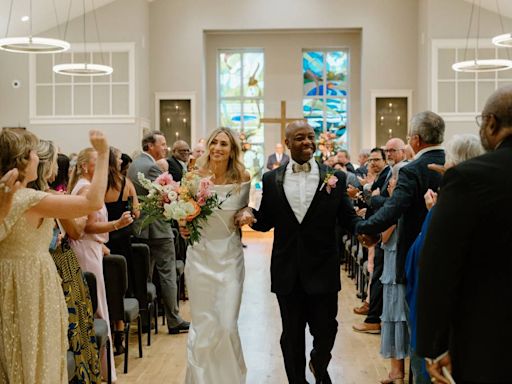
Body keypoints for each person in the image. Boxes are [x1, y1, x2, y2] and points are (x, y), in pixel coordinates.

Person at [249, 120, 361, 384]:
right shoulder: (271, 179)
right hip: (287, 270)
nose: (308, 142)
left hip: (323, 267)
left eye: (311, 137)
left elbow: (347, 217)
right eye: (300, 138)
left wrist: (366, 229)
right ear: (287, 143)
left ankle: (319, 364)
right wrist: (247, 215)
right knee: (291, 335)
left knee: (326, 330)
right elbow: (265, 221)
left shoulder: (335, 178)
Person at [416, 87, 512, 384]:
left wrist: (434, 346)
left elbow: (438, 267)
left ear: (491, 123)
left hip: (490, 340)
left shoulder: (470, 177)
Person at [0, 129, 109, 383]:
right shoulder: (29, 199)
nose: (39, 158)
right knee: (36, 354)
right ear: (24, 158)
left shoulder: (11, 197)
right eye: (35, 153)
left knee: (13, 352)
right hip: (32, 282)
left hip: (8, 278)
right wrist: (103, 154)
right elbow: (93, 202)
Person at [406, 134, 483, 384]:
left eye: (448, 161)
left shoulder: (456, 205)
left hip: (439, 323)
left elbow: (434, 265)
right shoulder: (448, 201)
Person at [179, 127, 251, 384]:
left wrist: (247, 213)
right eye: (214, 143)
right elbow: (183, 212)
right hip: (200, 256)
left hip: (230, 256)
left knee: (227, 324)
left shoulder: (243, 176)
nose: (218, 148)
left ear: (232, 150)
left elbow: (244, 208)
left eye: (224, 144)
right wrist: (182, 223)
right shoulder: (192, 177)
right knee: (205, 324)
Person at [30, 139, 102, 383]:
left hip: (49, 263)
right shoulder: (47, 196)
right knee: (73, 330)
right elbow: (77, 230)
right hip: (59, 265)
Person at [356, 111, 445, 289]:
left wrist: (362, 226)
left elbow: (393, 208)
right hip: (445, 249)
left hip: (415, 249)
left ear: (416, 140)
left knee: (413, 311)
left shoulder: (412, 170)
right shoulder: (452, 163)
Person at [68, 147, 133, 379]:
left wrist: (101, 244)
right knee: (96, 306)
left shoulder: (83, 186)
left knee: (96, 304)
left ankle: (100, 367)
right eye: (98, 162)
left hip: (92, 248)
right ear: (85, 166)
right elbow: (87, 227)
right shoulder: (86, 188)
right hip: (86, 251)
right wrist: (117, 224)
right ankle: (101, 369)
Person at [128, 131, 189, 334]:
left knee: (144, 275)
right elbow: (167, 194)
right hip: (157, 230)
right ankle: (173, 319)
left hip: (140, 229)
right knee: (168, 273)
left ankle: (146, 320)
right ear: (150, 146)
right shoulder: (151, 167)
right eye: (162, 144)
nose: (165, 148)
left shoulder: (134, 165)